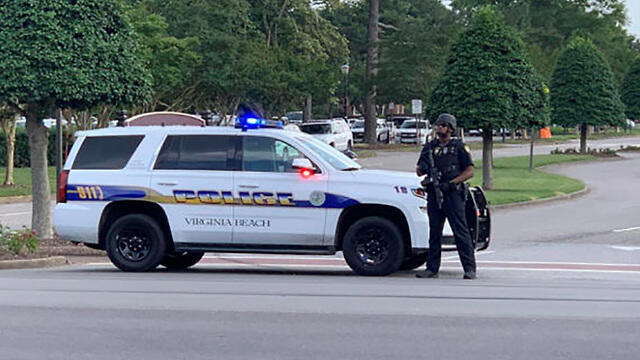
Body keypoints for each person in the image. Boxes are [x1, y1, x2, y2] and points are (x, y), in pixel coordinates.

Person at [415, 113, 477, 280]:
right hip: (434, 194)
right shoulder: (430, 147)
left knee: (460, 231)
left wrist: (452, 183)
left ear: (450, 128)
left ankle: (469, 268)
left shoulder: (458, 147)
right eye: (438, 125)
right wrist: (424, 167)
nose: (439, 128)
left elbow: (469, 171)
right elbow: (418, 171)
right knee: (434, 231)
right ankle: (432, 268)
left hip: (452, 194)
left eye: (443, 125)